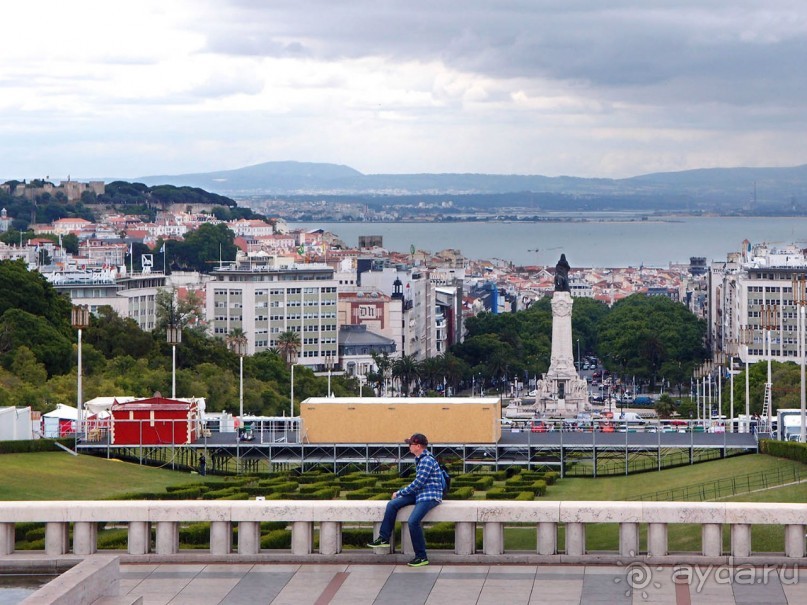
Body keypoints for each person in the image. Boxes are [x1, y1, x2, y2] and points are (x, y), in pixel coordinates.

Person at [367, 433, 443, 567]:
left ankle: (421, 557)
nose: (409, 446)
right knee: (392, 505)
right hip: (420, 493)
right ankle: (384, 538)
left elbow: (418, 483)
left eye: (410, 444)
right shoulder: (420, 458)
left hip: (430, 496)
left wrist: (400, 492)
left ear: (418, 446)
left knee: (413, 521)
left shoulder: (426, 460)